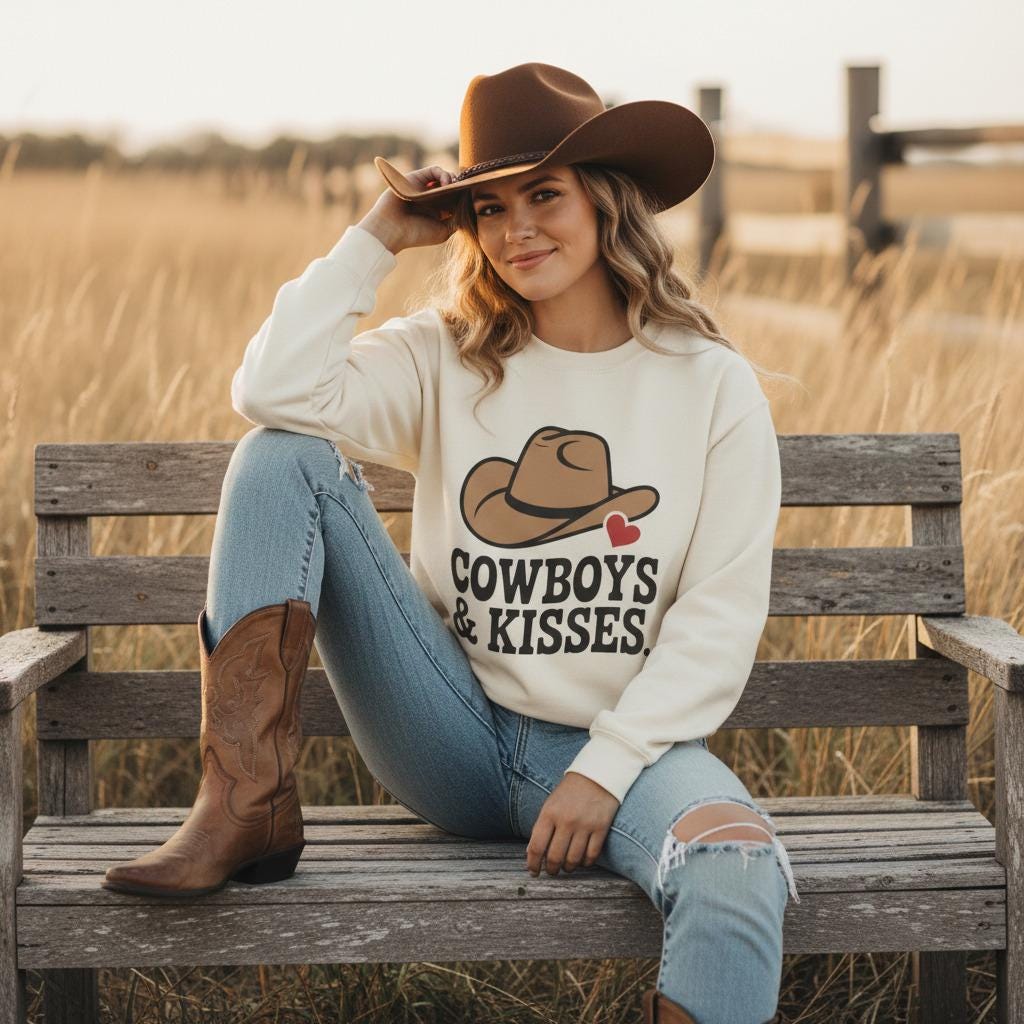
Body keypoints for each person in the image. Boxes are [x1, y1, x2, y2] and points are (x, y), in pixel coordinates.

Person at [102, 62, 798, 1024]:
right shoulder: (448, 353)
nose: (517, 230)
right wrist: (378, 236)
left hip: (625, 755)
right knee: (279, 457)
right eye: (489, 206)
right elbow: (273, 394)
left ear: (604, 202)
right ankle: (242, 805)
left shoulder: (711, 386)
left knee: (735, 865)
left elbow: (720, 612)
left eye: (544, 195)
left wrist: (603, 770)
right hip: (448, 732)